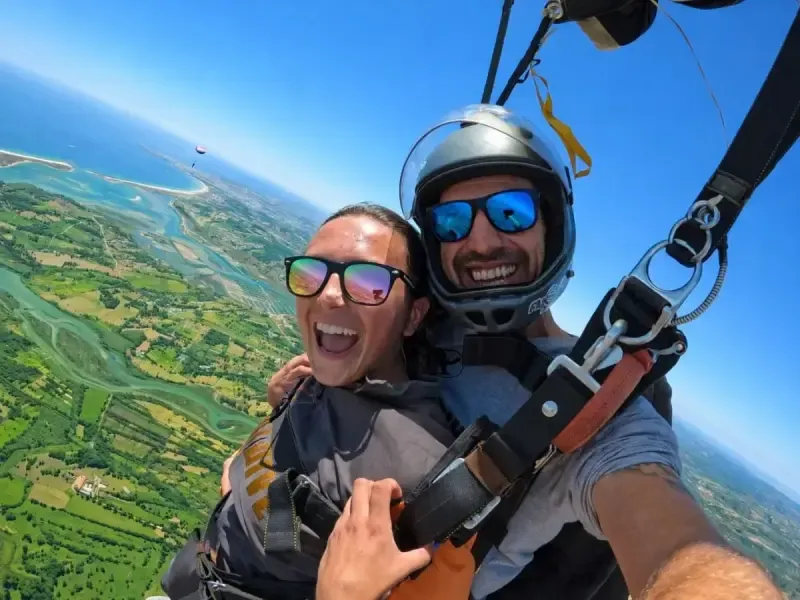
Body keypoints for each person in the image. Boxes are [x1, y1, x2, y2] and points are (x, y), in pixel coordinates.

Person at [270, 105, 782, 600]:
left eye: (510, 212)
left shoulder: (600, 410)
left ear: (552, 225)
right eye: (451, 222)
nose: (480, 241)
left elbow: (682, 551)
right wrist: (301, 395)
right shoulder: (428, 321)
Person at [161, 203, 459, 600]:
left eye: (369, 282)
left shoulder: (411, 469)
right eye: (312, 273)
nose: (328, 295)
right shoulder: (325, 377)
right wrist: (271, 417)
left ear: (413, 316)